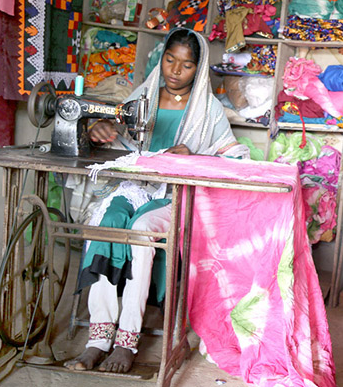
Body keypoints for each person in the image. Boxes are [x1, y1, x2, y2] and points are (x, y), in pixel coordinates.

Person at [65, 28, 247, 373]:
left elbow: (234, 155)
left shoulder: (208, 110)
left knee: (142, 229)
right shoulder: (142, 97)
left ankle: (127, 340)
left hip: (173, 195)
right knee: (108, 225)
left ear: (200, 67)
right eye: (169, 59)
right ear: (161, 58)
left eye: (187, 64)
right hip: (133, 186)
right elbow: (118, 140)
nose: (175, 71)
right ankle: (98, 338)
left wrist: (192, 155)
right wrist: (99, 131)